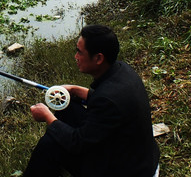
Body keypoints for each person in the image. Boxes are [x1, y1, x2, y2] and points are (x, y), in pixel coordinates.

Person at [23, 24, 160, 177]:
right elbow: (106, 103)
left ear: (99, 58)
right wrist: (74, 90)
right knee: (68, 106)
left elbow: (77, 143)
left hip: (131, 171)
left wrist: (47, 116)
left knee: (49, 144)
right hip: (136, 155)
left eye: (79, 52)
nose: (76, 57)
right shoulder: (123, 70)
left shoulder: (107, 100)